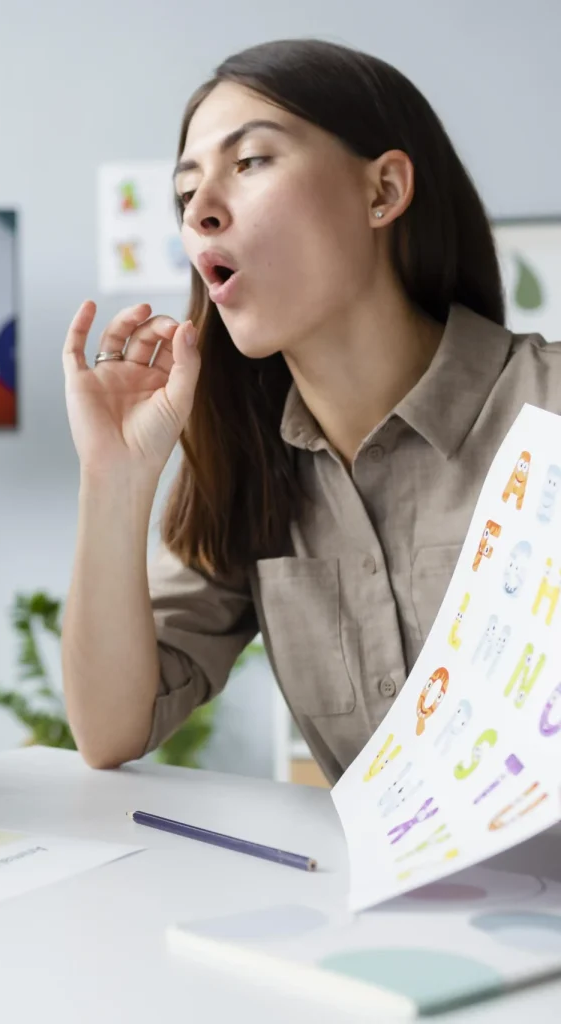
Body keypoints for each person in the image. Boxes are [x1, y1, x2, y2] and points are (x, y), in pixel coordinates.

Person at [60, 38, 560, 778]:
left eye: (251, 161)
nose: (200, 210)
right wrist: (114, 479)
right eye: (185, 190)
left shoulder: (546, 407)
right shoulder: (249, 466)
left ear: (382, 190)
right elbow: (111, 729)